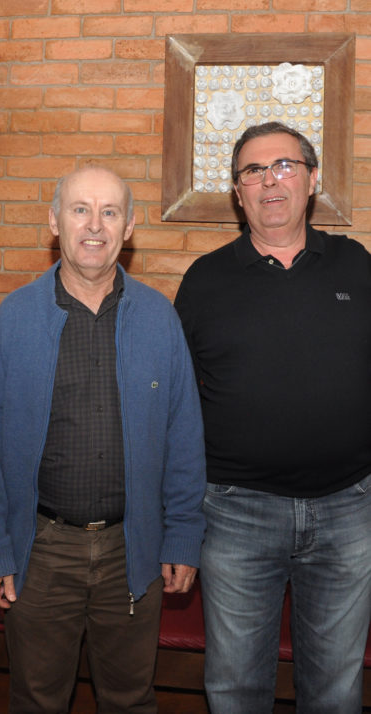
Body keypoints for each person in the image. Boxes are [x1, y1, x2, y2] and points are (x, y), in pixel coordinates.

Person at [0, 165, 206, 713]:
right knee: (38, 700)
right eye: (79, 210)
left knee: (131, 698)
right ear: (54, 222)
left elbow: (184, 436)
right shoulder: (15, 318)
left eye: (109, 211)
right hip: (40, 551)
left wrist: (183, 534)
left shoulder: (160, 319)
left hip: (132, 551)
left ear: (129, 226)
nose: (94, 225)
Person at [174, 121, 371, 714]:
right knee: (235, 689)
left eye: (284, 165)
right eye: (253, 171)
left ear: (312, 180)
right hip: (235, 514)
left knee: (336, 690)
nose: (269, 181)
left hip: (349, 509)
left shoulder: (357, 264)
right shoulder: (205, 280)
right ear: (238, 192)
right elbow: (177, 406)